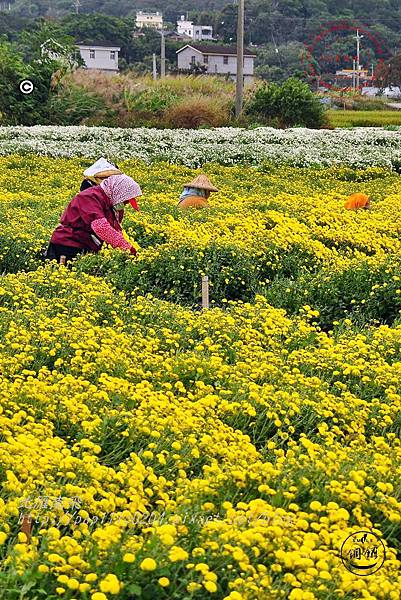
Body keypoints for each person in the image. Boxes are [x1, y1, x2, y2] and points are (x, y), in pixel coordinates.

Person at [44, 174, 142, 264]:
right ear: (118, 192)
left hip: (86, 245)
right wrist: (127, 248)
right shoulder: (90, 197)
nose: (125, 204)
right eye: (125, 201)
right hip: (67, 245)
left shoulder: (109, 201)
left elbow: (115, 228)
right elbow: (101, 227)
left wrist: (129, 248)